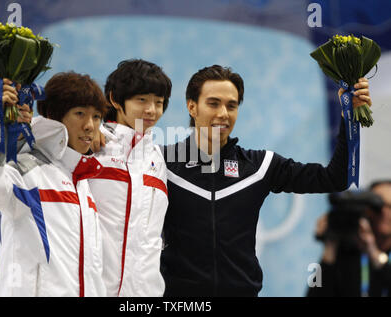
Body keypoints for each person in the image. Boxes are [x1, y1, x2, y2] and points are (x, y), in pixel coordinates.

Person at [160, 65, 373, 296]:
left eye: (231, 106)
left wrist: (348, 117)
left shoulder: (260, 165)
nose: (223, 113)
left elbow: (335, 179)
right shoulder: (161, 162)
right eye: (213, 103)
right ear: (192, 106)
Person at [27, 59, 172, 296]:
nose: (152, 110)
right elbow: (46, 143)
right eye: (142, 100)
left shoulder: (158, 161)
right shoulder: (89, 145)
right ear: (115, 99)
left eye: (159, 102)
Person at [0, 72, 108, 296]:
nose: (90, 125)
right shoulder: (27, 171)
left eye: (97, 116)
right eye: (80, 114)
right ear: (53, 116)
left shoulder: (83, 186)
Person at [307, 180, 391, 297]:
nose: (384, 212)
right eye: (378, 206)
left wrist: (374, 253)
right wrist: (329, 249)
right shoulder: (347, 252)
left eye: (390, 207)